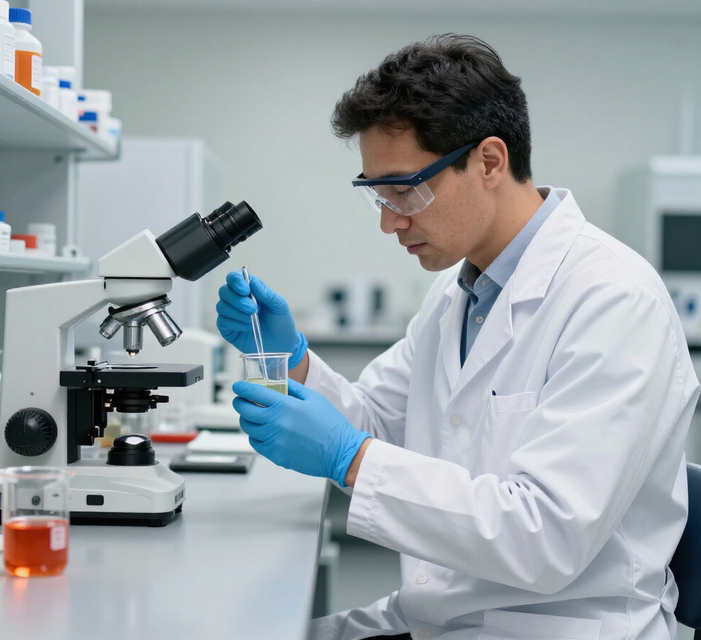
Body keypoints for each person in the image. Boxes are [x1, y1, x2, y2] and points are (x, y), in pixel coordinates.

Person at [215, 34, 700, 640]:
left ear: (490, 162)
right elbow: (379, 421)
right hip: (442, 612)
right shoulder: (459, 291)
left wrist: (350, 460)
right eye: (377, 195)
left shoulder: (612, 298)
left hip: (558, 626)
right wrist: (295, 362)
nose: (391, 221)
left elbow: (546, 536)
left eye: (404, 190)